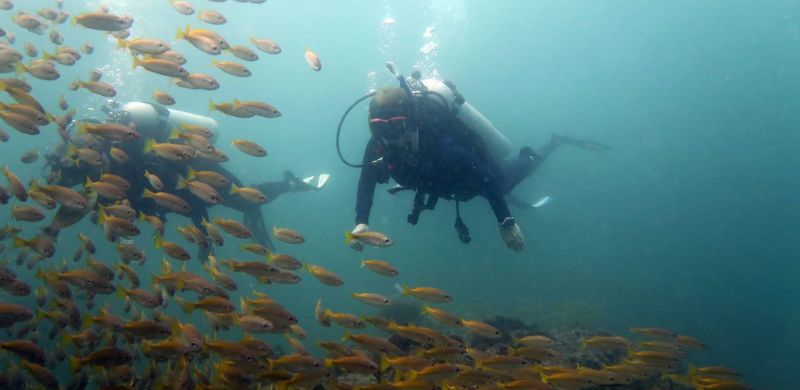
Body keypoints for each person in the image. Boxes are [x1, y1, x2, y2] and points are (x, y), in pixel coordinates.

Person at [43, 101, 328, 255]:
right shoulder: (98, 168)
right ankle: (283, 189)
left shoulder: (117, 154)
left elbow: (155, 191)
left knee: (248, 198)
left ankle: (289, 185)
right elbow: (77, 203)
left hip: (199, 175)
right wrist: (53, 229)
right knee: (240, 200)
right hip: (180, 191)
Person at [350, 83, 608, 252]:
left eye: (395, 127)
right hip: (442, 183)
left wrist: (506, 222)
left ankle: (532, 155)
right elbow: (366, 181)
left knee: (501, 184)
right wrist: (361, 223)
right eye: (379, 128)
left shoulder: (438, 142)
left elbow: (485, 179)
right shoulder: (378, 145)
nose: (389, 136)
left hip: (472, 178)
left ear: (411, 121)